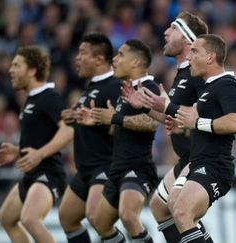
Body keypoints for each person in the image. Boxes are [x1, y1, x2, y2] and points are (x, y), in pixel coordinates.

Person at [122, 12, 211, 243]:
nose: (165, 32)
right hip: (186, 157)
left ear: (188, 39)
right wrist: (144, 106)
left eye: (173, 28)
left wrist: (183, 121)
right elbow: (172, 116)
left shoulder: (197, 72)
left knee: (179, 209)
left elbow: (206, 112)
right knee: (160, 207)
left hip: (202, 156)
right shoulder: (182, 72)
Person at [168, 33, 236, 243]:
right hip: (197, 162)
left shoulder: (227, 84)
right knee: (173, 205)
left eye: (194, 51)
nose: (189, 57)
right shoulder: (208, 88)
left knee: (183, 213)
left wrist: (197, 123)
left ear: (211, 57)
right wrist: (184, 127)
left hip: (215, 165)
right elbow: (202, 125)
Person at [0, 46, 73, 243]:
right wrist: (17, 152)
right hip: (31, 175)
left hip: (48, 174)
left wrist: (39, 154)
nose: (11, 70)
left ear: (32, 71)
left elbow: (68, 130)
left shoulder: (49, 98)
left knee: (30, 219)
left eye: (17, 65)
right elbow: (39, 137)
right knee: (6, 218)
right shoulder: (31, 100)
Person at [88, 39, 160, 243]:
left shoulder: (148, 87)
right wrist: (99, 121)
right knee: (99, 222)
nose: (114, 59)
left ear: (136, 62)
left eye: (120, 55)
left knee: (128, 215)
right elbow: (119, 128)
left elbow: (151, 122)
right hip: (117, 168)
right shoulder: (126, 92)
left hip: (138, 166)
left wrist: (115, 118)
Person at [58, 33, 121, 243]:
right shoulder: (91, 89)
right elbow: (84, 120)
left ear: (99, 59)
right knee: (67, 218)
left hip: (105, 166)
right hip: (85, 170)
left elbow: (121, 127)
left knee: (97, 219)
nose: (77, 58)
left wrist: (98, 121)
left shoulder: (114, 86)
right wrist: (72, 116)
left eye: (83, 53)